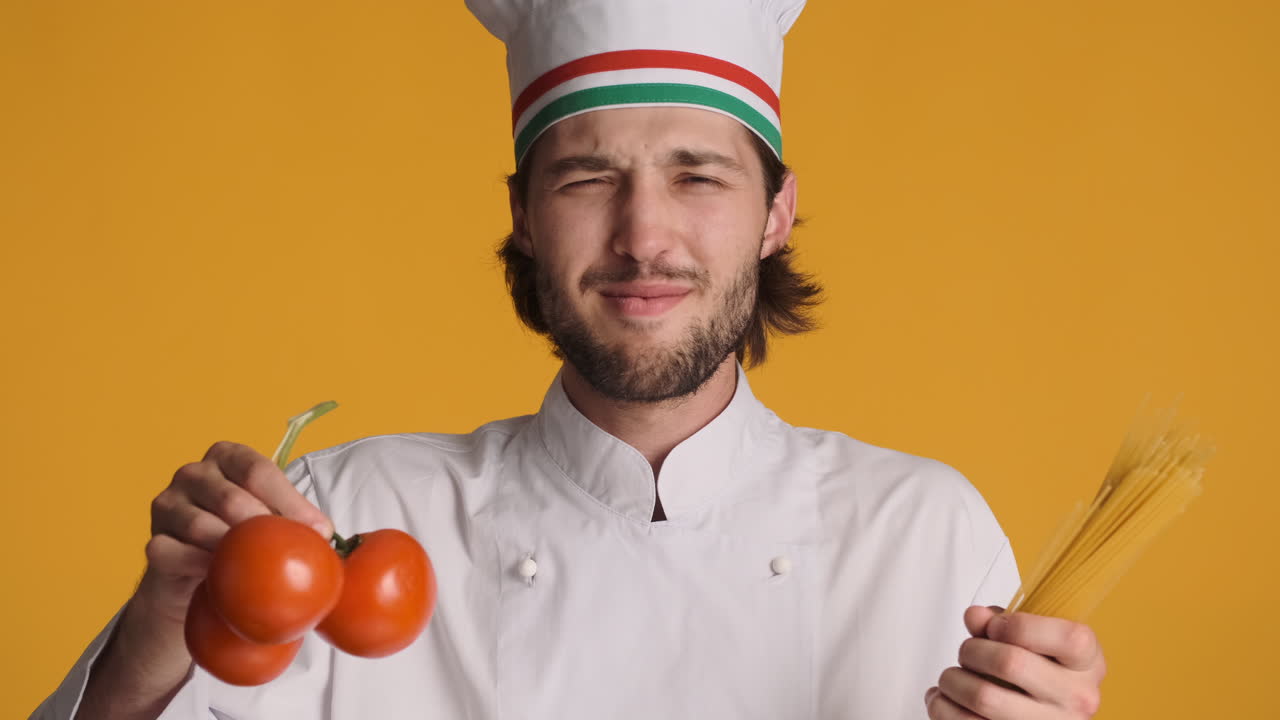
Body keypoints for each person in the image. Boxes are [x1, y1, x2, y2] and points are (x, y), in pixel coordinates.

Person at [34, 1, 1107, 718]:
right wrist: (154, 636)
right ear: (523, 215)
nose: (644, 237)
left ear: (775, 212)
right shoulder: (341, 518)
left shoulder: (924, 532)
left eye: (697, 177)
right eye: (588, 179)